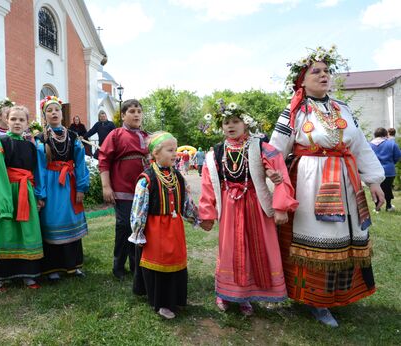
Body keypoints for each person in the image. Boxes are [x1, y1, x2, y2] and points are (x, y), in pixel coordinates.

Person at [270, 45, 385, 327]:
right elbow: (274, 150)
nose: (323, 75)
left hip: (346, 182)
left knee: (346, 237)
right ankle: (313, 301)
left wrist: (374, 181)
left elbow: (359, 146)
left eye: (326, 71)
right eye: (316, 72)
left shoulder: (342, 108)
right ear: (302, 80)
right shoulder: (294, 111)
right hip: (310, 183)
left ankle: (337, 294)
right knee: (319, 238)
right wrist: (274, 183)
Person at [199, 101, 298, 316]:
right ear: (221, 126)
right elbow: (208, 185)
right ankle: (226, 294)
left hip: (255, 205)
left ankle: (247, 297)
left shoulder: (261, 147)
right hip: (229, 206)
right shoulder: (215, 153)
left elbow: (280, 173)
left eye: (236, 121)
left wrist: (280, 206)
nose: (230, 126)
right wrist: (207, 213)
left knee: (255, 247)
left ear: (246, 124)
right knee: (230, 249)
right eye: (226, 122)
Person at [128, 131, 198, 319]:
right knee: (160, 263)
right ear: (156, 153)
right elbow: (138, 208)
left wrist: (196, 218)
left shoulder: (177, 176)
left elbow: (185, 203)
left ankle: (175, 298)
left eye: (175, 149)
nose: (175, 153)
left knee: (176, 260)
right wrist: (138, 231)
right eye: (170, 150)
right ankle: (161, 303)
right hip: (155, 228)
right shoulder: (147, 178)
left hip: (174, 227)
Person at [0, 105, 44, 291]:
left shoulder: (30, 146)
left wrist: (37, 195)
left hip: (25, 193)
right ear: (6, 121)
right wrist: (5, 204)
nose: (17, 123)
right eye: (13, 119)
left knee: (25, 232)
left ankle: (27, 274)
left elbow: (35, 172)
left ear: (27, 123)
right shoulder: (0, 143)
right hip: (6, 194)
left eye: (21, 120)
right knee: (1, 232)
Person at [35, 96, 90, 280]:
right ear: (45, 116)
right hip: (51, 184)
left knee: (72, 222)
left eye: (56, 110)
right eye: (49, 111)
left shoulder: (73, 136)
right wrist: (40, 193)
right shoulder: (40, 139)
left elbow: (81, 162)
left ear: (62, 113)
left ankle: (73, 266)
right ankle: (53, 269)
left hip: (70, 183)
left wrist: (81, 187)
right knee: (52, 221)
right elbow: (39, 168)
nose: (53, 113)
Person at [98, 99, 149, 280]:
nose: (136, 114)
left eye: (139, 111)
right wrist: (106, 186)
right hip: (122, 189)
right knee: (124, 226)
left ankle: (137, 266)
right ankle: (118, 266)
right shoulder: (116, 134)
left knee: (141, 227)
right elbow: (103, 160)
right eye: (132, 111)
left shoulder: (147, 136)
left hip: (143, 192)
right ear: (123, 115)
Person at [370, 127, 401, 212]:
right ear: (386, 134)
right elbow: (398, 156)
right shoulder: (391, 144)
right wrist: (391, 163)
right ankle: (388, 206)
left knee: (376, 189)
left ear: (375, 135)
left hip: (374, 171)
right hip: (389, 171)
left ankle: (377, 208)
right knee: (387, 188)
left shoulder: (369, 145)